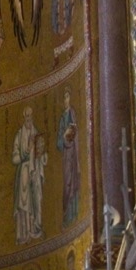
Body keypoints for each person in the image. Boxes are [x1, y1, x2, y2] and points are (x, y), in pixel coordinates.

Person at [12, 107, 43, 244]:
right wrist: (26, 151)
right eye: (27, 116)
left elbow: (39, 150)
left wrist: (41, 153)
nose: (29, 119)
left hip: (34, 171)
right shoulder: (19, 136)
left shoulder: (35, 132)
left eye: (31, 116)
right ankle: (24, 233)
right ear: (24, 118)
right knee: (24, 204)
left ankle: (34, 228)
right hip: (24, 173)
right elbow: (15, 158)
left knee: (35, 200)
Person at [56, 88, 81, 226]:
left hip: (74, 154)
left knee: (74, 182)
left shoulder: (73, 114)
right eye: (64, 97)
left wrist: (72, 135)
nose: (65, 100)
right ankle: (67, 215)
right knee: (67, 184)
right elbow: (58, 142)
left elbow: (77, 133)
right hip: (66, 156)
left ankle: (75, 213)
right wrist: (64, 137)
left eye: (67, 97)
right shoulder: (61, 118)